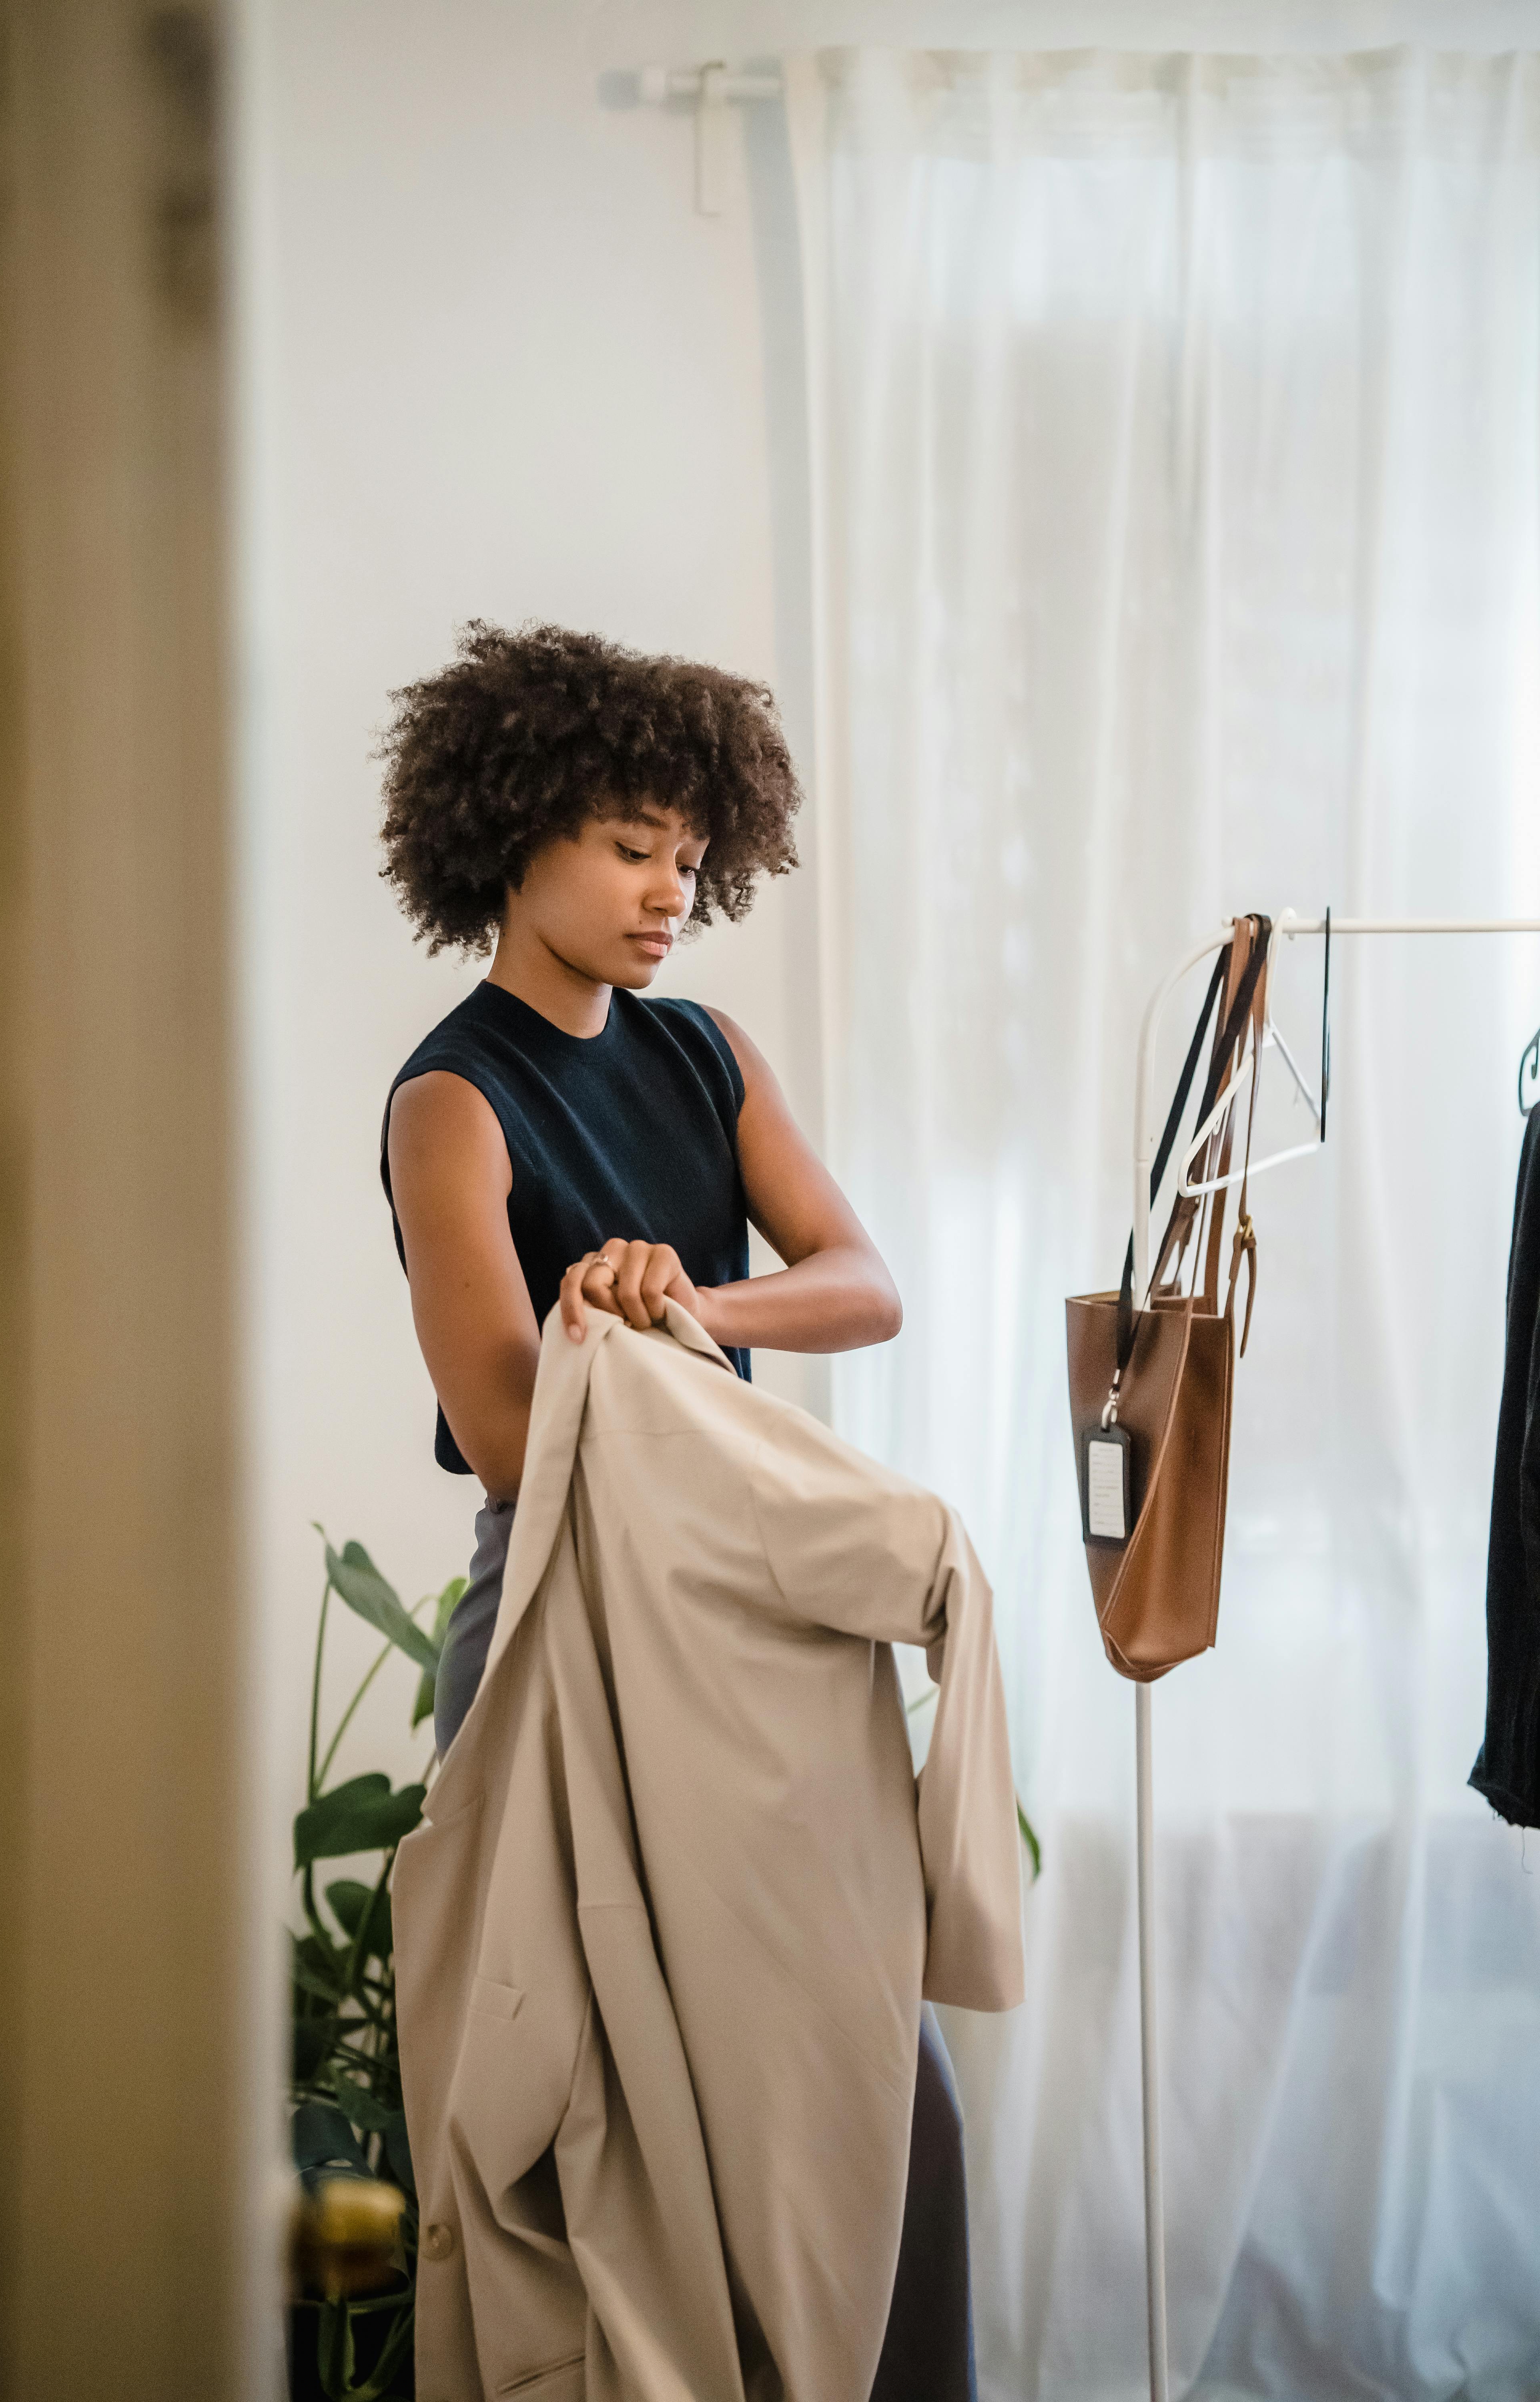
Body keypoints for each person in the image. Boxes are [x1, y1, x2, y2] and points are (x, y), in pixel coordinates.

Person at [378, 619, 975, 2402]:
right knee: (558, 2087)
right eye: (631, 848)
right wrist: (599, 1316)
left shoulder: (704, 1052)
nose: (666, 896)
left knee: (869, 2072)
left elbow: (860, 1283)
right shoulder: (448, 1100)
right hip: (557, 1601)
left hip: (741, 1608)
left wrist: (687, 1306)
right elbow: (504, 1435)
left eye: (690, 862)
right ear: (515, 830)